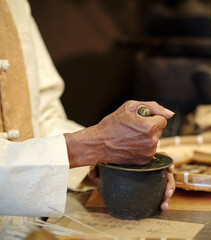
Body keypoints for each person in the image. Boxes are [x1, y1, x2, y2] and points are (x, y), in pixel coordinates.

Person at [0, 0, 175, 236]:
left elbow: (43, 115)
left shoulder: (14, 4)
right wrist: (94, 145)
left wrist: (112, 157)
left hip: (33, 226)